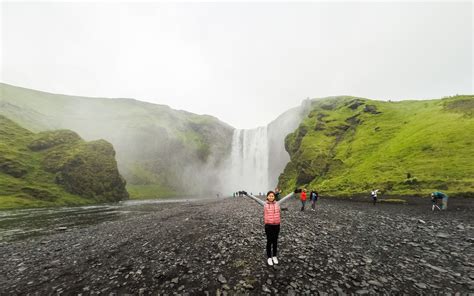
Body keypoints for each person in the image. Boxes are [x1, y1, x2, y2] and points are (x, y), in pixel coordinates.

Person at [264, 191, 281, 266]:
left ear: (274, 197)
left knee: (275, 241)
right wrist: (247, 194)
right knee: (269, 241)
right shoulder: (264, 204)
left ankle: (274, 256)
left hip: (277, 225)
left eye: (272, 196)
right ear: (267, 197)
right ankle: (269, 257)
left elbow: (287, 198)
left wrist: (294, 192)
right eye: (270, 196)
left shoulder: (278, 203)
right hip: (268, 225)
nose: (271, 197)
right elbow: (255, 199)